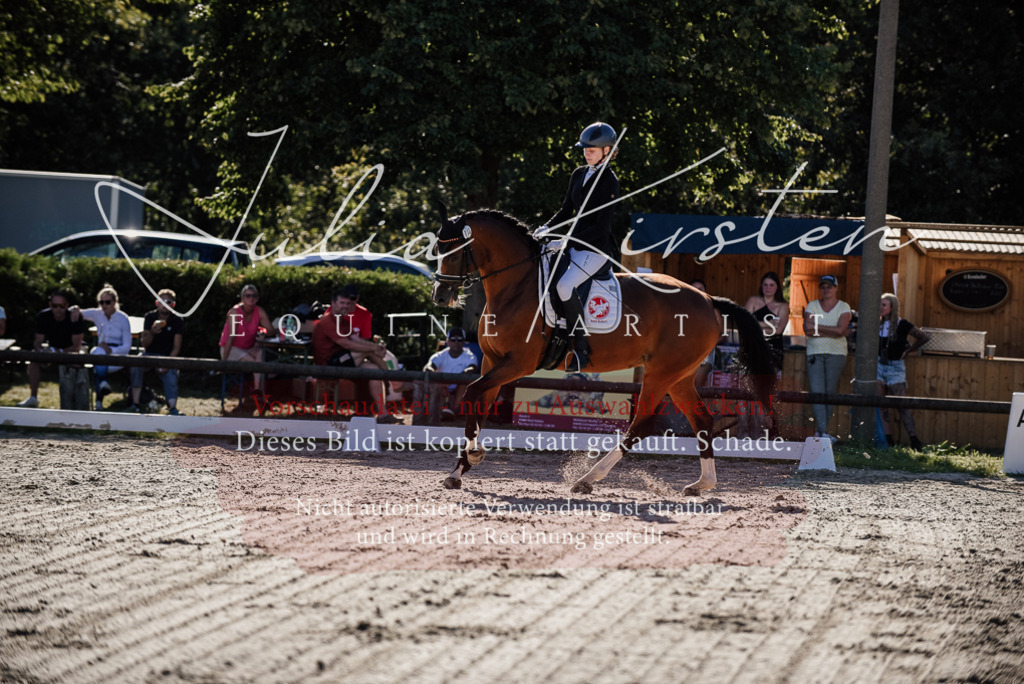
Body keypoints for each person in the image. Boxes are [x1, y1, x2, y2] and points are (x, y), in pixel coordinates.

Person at [535, 121, 620, 371]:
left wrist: (567, 240)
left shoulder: (609, 181)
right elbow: (565, 211)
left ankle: (581, 348)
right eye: (584, 149)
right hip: (573, 244)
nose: (586, 153)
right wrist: (546, 228)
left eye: (591, 149)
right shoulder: (579, 174)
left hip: (595, 249)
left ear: (607, 150)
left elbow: (601, 226)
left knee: (564, 286)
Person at [312, 288, 398, 423]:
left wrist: (376, 347)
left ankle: (382, 414)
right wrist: (375, 348)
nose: (345, 306)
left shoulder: (344, 321)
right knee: (368, 351)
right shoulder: (327, 321)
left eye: (348, 303)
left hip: (343, 360)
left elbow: (356, 340)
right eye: (342, 303)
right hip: (328, 364)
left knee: (374, 370)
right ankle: (393, 381)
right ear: (333, 304)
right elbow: (347, 344)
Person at [877, 293, 930, 450]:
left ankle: (914, 440)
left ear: (892, 307)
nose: (880, 307)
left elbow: (923, 337)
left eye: (884, 305)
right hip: (878, 365)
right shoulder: (877, 324)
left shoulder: (902, 324)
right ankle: (888, 441)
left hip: (895, 366)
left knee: (901, 404)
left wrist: (908, 350)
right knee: (881, 404)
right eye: (880, 304)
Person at [17, 292, 89, 407]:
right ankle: (33, 397)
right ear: (50, 305)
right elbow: (38, 342)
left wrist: (59, 352)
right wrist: (42, 352)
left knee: (77, 365)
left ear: (67, 305)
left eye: (62, 306)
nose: (58, 309)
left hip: (72, 353)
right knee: (33, 361)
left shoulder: (75, 317)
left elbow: (76, 347)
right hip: (52, 352)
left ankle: (75, 402)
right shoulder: (43, 316)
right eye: (55, 306)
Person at [802, 275, 852, 441]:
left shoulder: (844, 306)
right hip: (814, 352)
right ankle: (823, 432)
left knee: (829, 392)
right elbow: (807, 329)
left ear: (836, 288)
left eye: (829, 286)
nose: (826, 290)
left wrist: (817, 327)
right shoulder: (812, 305)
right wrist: (834, 330)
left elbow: (841, 330)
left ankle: (821, 431)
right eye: (823, 287)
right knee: (817, 392)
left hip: (837, 353)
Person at [72, 284, 132, 411]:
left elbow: (127, 346)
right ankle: (103, 386)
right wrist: (75, 308)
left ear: (115, 302)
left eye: (107, 302)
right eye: (101, 302)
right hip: (101, 352)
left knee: (98, 363)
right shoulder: (97, 313)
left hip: (118, 354)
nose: (104, 305)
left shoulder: (123, 318)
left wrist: (111, 350)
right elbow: (77, 311)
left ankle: (99, 400)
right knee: (96, 353)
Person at [129, 289, 184, 415]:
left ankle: (172, 408)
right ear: (157, 303)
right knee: (135, 365)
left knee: (172, 372)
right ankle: (135, 404)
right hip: (149, 355)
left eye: (168, 302)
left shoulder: (177, 320)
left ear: (173, 305)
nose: (165, 304)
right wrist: (152, 332)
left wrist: (167, 363)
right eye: (162, 301)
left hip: (166, 357)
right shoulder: (150, 317)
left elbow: (176, 348)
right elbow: (144, 343)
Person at [218, 284, 275, 398]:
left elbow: (271, 330)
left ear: (257, 298)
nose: (251, 298)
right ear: (242, 298)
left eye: (254, 296)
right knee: (256, 365)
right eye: (248, 296)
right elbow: (230, 338)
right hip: (230, 349)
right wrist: (223, 362)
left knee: (260, 353)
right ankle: (258, 392)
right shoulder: (234, 312)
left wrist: (263, 334)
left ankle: (258, 390)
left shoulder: (259, 311)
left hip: (247, 348)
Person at [425, 327, 480, 420]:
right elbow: (428, 368)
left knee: (465, 383)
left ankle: (452, 411)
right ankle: (437, 413)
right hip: (441, 387)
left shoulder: (470, 355)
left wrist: (453, 380)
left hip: (459, 388)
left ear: (464, 342)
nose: (456, 342)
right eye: (453, 340)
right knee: (431, 384)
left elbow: (472, 368)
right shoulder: (440, 355)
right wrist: (442, 385)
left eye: (460, 339)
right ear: (448, 341)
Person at [744, 271, 790, 371]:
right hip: (754, 346)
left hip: (774, 349)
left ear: (777, 287)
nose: (768, 288)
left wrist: (755, 327)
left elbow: (778, 331)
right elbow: (745, 323)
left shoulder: (783, 306)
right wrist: (768, 324)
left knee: (769, 379)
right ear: (761, 286)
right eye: (765, 285)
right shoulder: (753, 300)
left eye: (771, 285)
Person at [690, 279, 715, 388]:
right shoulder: (680, 308)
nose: (697, 291)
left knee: (698, 386)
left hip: (704, 353)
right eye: (693, 289)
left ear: (705, 292)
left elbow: (721, 334)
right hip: (684, 353)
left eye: (700, 289)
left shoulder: (712, 309)